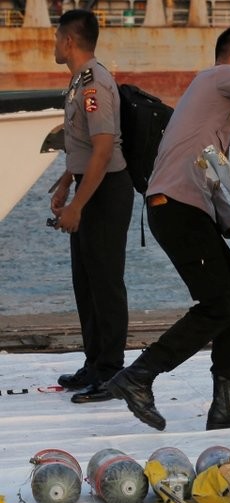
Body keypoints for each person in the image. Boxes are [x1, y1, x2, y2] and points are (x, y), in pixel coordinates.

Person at [106, 26, 230, 431]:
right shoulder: (215, 78)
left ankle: (226, 403)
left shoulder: (210, 114)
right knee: (217, 305)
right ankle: (138, 376)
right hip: (176, 209)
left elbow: (211, 182)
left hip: (187, 209)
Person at [50, 9, 134, 404]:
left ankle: (112, 371)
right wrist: (67, 181)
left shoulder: (93, 83)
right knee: (86, 281)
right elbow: (83, 147)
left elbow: (103, 150)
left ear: (68, 41)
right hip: (89, 185)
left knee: (105, 282)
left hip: (106, 190)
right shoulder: (78, 82)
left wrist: (78, 206)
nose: (53, 45)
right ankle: (94, 362)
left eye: (55, 38)